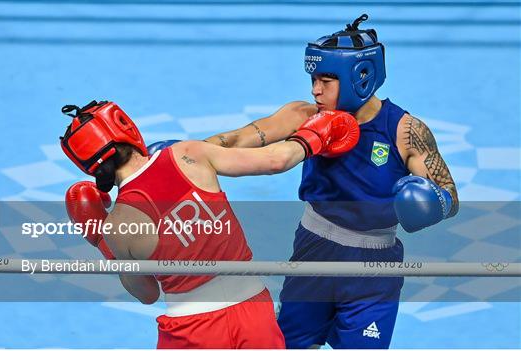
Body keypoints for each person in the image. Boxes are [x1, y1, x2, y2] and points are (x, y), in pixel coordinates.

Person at [203, 14, 459, 349]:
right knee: (290, 346)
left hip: (375, 266)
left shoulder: (405, 131)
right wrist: (184, 154)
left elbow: (450, 196)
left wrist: (431, 204)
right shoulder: (305, 116)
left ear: (360, 77)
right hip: (314, 249)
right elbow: (239, 139)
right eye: (313, 78)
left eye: (326, 79)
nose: (315, 89)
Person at [60, 100, 359, 348]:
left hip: (190, 329)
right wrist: (315, 135)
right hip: (252, 311)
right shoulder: (187, 155)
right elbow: (275, 161)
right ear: (126, 127)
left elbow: (146, 294)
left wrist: (102, 242)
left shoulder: (117, 226)